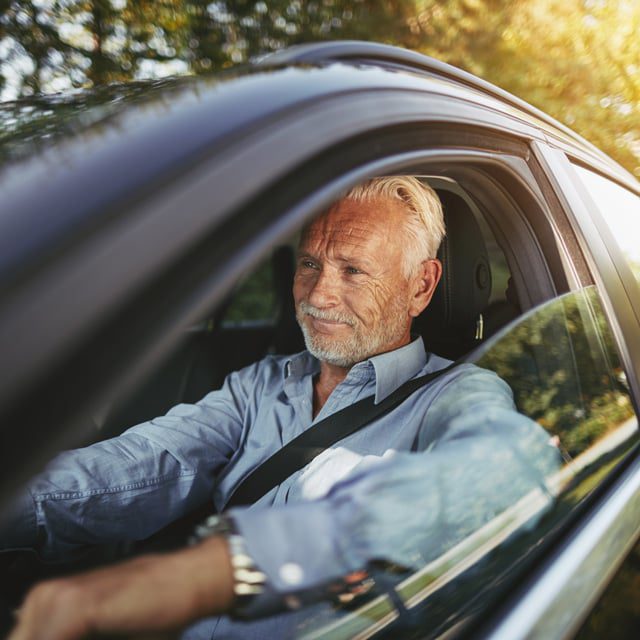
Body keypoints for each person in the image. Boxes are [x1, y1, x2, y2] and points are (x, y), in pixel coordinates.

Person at [2, 177, 560, 640]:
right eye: (309, 264)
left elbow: (512, 469)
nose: (316, 296)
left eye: (353, 270)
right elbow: (142, 464)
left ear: (421, 286)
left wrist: (225, 568)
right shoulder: (260, 385)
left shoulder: (457, 393)